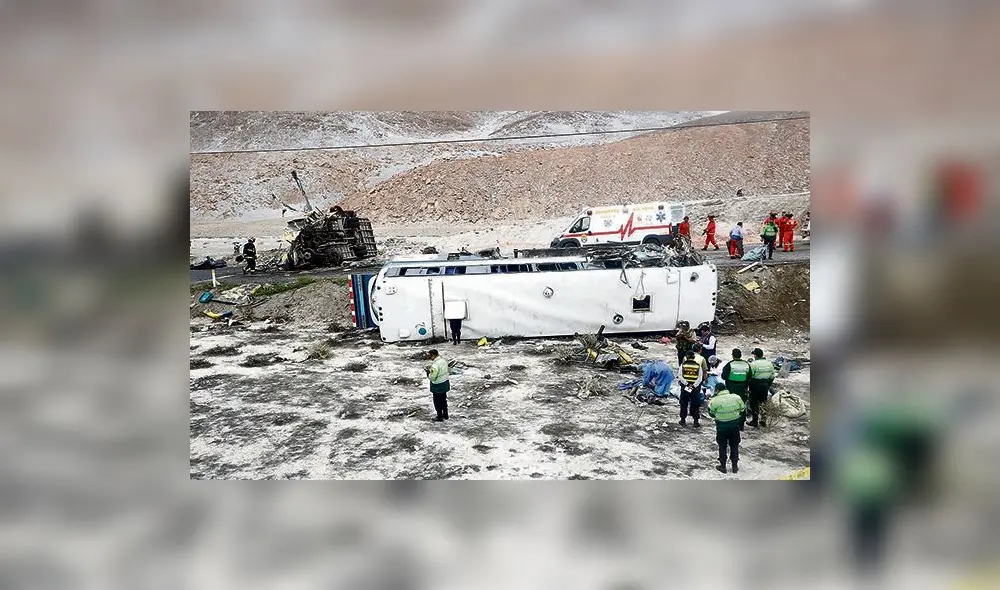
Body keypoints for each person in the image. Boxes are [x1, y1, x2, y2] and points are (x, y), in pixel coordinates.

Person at [709, 383, 746, 474]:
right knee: (734, 445)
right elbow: (742, 408)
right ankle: (734, 466)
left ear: (717, 390)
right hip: (734, 426)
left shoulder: (715, 400)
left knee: (722, 446)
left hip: (721, 427)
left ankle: (723, 466)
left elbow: (711, 413)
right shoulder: (736, 397)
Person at [747, 347, 775, 427]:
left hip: (755, 385)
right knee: (763, 402)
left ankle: (755, 421)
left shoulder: (753, 364)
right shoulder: (769, 363)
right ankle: (763, 420)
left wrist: (748, 385)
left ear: (755, 355)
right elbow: (772, 376)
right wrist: (768, 384)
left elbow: (750, 375)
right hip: (765, 385)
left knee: (754, 403)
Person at [677, 351, 704, 427]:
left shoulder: (683, 365)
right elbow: (700, 378)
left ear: (686, 357)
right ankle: (695, 421)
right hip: (695, 388)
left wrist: (687, 384)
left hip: (686, 387)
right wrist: (694, 385)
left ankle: (683, 420)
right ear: (694, 357)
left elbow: (680, 376)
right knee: (695, 403)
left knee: (684, 403)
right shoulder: (698, 366)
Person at [426, 350, 451, 422]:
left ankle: (439, 416)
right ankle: (445, 414)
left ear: (433, 355)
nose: (430, 357)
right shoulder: (443, 361)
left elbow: (432, 377)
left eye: (430, 356)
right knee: (443, 400)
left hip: (437, 386)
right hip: (445, 383)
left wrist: (428, 373)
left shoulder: (435, 365)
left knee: (437, 402)